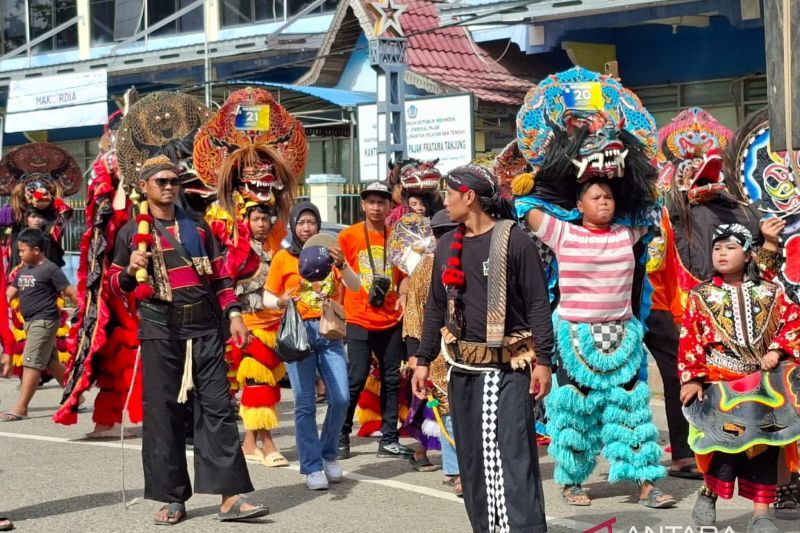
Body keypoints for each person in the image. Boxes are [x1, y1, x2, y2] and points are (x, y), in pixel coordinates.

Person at [108, 155, 267, 525]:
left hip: (206, 328)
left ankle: (230, 496)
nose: (169, 186)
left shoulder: (197, 225)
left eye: (173, 181)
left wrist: (234, 314)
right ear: (144, 186)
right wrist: (130, 270)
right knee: (164, 415)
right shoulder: (131, 233)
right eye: (161, 181)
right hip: (160, 330)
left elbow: (221, 277)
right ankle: (173, 497)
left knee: (218, 410)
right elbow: (114, 285)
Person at [412, 165, 553, 533]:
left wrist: (545, 361)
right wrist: (423, 360)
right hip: (463, 371)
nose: (445, 201)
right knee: (474, 460)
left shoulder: (515, 241)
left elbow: (538, 305)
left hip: (507, 371)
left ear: (469, 196)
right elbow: (435, 307)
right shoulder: (447, 245)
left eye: (449, 193)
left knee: (511, 457)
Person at [524, 180, 675, 508]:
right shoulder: (563, 234)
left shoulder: (627, 234)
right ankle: (572, 481)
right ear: (580, 205)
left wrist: (626, 173)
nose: (604, 202)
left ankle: (646, 483)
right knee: (575, 413)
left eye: (609, 196)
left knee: (631, 412)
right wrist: (565, 177)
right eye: (596, 197)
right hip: (575, 340)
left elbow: (653, 207)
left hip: (622, 337)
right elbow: (524, 205)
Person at [679, 223, 797, 533]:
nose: (721, 253)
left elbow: (793, 320)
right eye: (717, 248)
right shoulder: (700, 294)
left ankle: (762, 514)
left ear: (747, 255)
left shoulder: (770, 291)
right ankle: (708, 494)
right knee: (723, 445)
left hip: (764, 384)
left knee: (766, 444)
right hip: (720, 382)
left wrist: (777, 350)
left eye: (730, 247)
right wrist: (692, 378)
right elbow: (690, 337)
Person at [265, 201, 360, 490]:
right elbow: (268, 297)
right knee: (305, 403)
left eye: (311, 222)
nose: (307, 228)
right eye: (301, 222)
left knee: (341, 397)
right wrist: (281, 301)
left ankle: (328, 454)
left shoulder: (331, 255)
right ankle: (311, 466)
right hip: (299, 333)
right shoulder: (283, 258)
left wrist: (342, 264)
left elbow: (355, 286)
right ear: (293, 226)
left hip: (329, 331)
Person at [338, 181, 412, 459]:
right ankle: (341, 434)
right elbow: (340, 278)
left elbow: (403, 277)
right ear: (363, 205)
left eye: (381, 202)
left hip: (391, 319)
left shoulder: (398, 239)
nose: (376, 207)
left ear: (389, 206)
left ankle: (389, 439)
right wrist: (338, 314)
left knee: (391, 380)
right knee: (355, 378)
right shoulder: (348, 236)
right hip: (358, 317)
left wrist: (404, 296)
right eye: (371, 202)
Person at [403, 209, 461, 494]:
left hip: (470, 349)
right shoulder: (426, 266)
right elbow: (414, 312)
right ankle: (455, 469)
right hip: (435, 351)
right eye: (442, 233)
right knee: (447, 409)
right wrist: (416, 355)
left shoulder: (470, 259)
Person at [226, 202, 288, 468]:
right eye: (255, 219)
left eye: (265, 218)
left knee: (266, 386)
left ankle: (249, 444)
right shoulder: (237, 245)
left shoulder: (275, 242)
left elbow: (283, 208)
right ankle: (268, 443)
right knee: (257, 386)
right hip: (248, 326)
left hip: (274, 326)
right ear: (246, 221)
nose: (261, 224)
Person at [0, 228, 76, 421]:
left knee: (31, 361)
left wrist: (84, 311)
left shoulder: (51, 269)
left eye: (22, 250)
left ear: (36, 250)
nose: (19, 254)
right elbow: (9, 294)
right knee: (52, 362)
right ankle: (76, 396)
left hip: (44, 321)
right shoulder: (24, 270)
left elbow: (70, 292)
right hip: (30, 322)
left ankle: (21, 407)